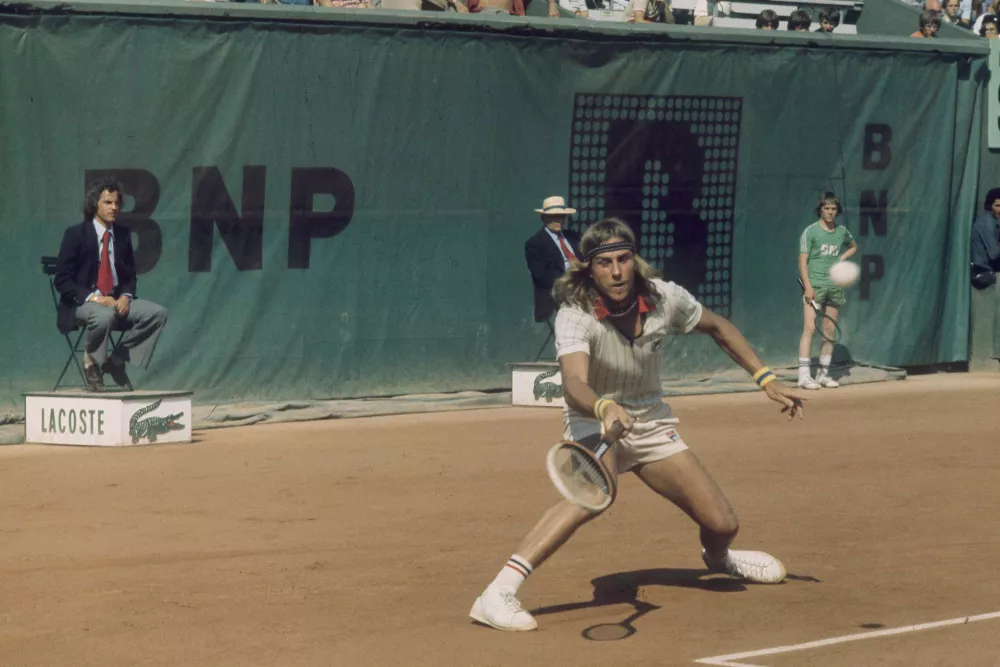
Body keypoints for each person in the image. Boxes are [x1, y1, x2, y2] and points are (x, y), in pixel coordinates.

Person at [470, 218, 805, 632]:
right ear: (588, 269)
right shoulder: (575, 314)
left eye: (624, 259)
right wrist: (605, 407)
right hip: (593, 418)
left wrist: (766, 379)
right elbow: (574, 382)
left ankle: (720, 559)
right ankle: (497, 592)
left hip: (650, 422)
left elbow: (718, 327)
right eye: (605, 262)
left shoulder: (666, 298)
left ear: (635, 260)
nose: (616, 271)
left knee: (723, 524)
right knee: (594, 494)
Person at [54, 179, 169, 391]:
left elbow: (129, 276)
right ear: (94, 203)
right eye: (108, 202)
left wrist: (126, 295)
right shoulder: (75, 234)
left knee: (157, 314)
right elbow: (61, 280)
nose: (114, 207)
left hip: (116, 301)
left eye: (116, 203)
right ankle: (93, 365)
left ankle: (115, 362)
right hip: (82, 303)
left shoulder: (123, 235)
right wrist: (95, 298)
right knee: (103, 314)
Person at [797, 192, 857, 390]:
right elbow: (802, 261)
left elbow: (853, 246)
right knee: (810, 329)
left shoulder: (841, 232)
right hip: (814, 287)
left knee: (829, 331)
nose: (830, 212)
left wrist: (840, 259)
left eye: (833, 209)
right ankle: (804, 377)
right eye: (827, 208)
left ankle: (823, 375)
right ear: (820, 209)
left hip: (834, 288)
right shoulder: (810, 232)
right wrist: (808, 286)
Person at [524, 196, 583, 324]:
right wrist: (571, 276)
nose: (559, 220)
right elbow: (541, 277)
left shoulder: (573, 237)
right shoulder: (535, 243)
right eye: (553, 216)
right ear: (543, 218)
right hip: (559, 296)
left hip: (584, 291)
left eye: (562, 216)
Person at [971, 188, 1000, 289]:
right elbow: (994, 253)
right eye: (997, 206)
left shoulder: (992, 221)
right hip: (983, 274)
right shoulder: (987, 223)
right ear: (989, 206)